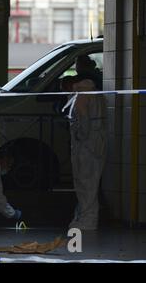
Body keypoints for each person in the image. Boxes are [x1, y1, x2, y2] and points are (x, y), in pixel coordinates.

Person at [62, 76, 107, 230]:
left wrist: (80, 137)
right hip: (95, 144)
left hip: (86, 146)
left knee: (85, 183)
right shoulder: (94, 94)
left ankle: (88, 219)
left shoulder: (82, 95)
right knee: (90, 183)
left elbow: (83, 122)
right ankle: (87, 216)